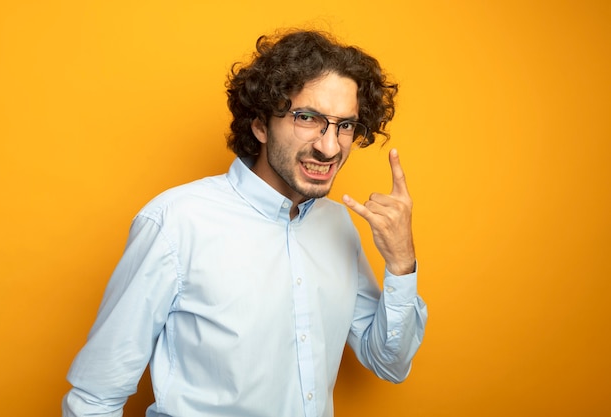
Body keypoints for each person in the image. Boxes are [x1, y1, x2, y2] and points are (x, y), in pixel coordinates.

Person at [62, 29, 427, 417]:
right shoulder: (176, 222)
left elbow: (389, 363)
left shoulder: (338, 225)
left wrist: (401, 262)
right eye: (307, 118)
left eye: (345, 126)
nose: (330, 147)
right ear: (259, 124)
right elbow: (95, 397)